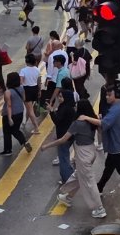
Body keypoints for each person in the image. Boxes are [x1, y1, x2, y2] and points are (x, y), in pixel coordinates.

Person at [43, 79, 106, 217]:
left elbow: (63, 140)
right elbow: (101, 130)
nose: (75, 108)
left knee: (88, 182)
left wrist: (47, 145)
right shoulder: (91, 121)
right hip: (91, 151)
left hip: (83, 153)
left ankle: (99, 208)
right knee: (78, 175)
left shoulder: (77, 124)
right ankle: (68, 196)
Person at [0, 72, 32, 157]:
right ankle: (24, 141)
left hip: (9, 115)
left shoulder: (8, 92)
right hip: (20, 113)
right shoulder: (21, 88)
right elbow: (24, 99)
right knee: (15, 130)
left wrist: (10, 118)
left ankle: (8, 150)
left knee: (7, 132)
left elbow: (9, 105)